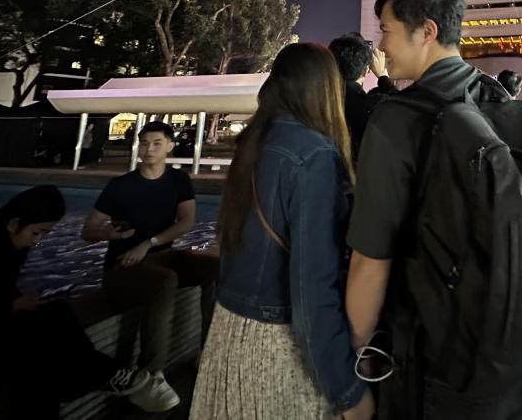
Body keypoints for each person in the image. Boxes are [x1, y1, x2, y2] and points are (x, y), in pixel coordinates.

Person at [346, 0, 522, 419]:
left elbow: (371, 261)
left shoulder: (395, 121)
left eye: (386, 31)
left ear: (426, 31)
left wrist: (347, 355)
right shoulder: (505, 103)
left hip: (439, 367)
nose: (381, 48)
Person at [191, 43, 373, 420]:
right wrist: (347, 391)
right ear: (326, 88)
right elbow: (312, 289)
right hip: (277, 347)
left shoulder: (254, 142)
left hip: (229, 332)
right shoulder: (314, 156)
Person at [0, 185, 148, 419]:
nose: (37, 242)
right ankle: (102, 374)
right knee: (37, 348)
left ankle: (100, 374)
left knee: (52, 319)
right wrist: (9, 305)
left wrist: (12, 302)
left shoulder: (4, 240)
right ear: (15, 223)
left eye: (44, 234)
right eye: (36, 233)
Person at [82, 121, 219, 413]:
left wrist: (148, 242)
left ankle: (207, 350)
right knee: (164, 281)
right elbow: (89, 230)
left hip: (161, 254)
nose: (148, 149)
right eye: (144, 143)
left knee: (215, 268)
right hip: (124, 266)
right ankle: (150, 376)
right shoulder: (120, 185)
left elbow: (185, 222)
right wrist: (109, 234)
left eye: (156, 143)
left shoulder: (178, 181)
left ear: (171, 145)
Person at [328, 31, 398, 161]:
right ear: (367, 70)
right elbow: (402, 106)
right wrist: (383, 76)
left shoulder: (319, 104)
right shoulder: (376, 106)